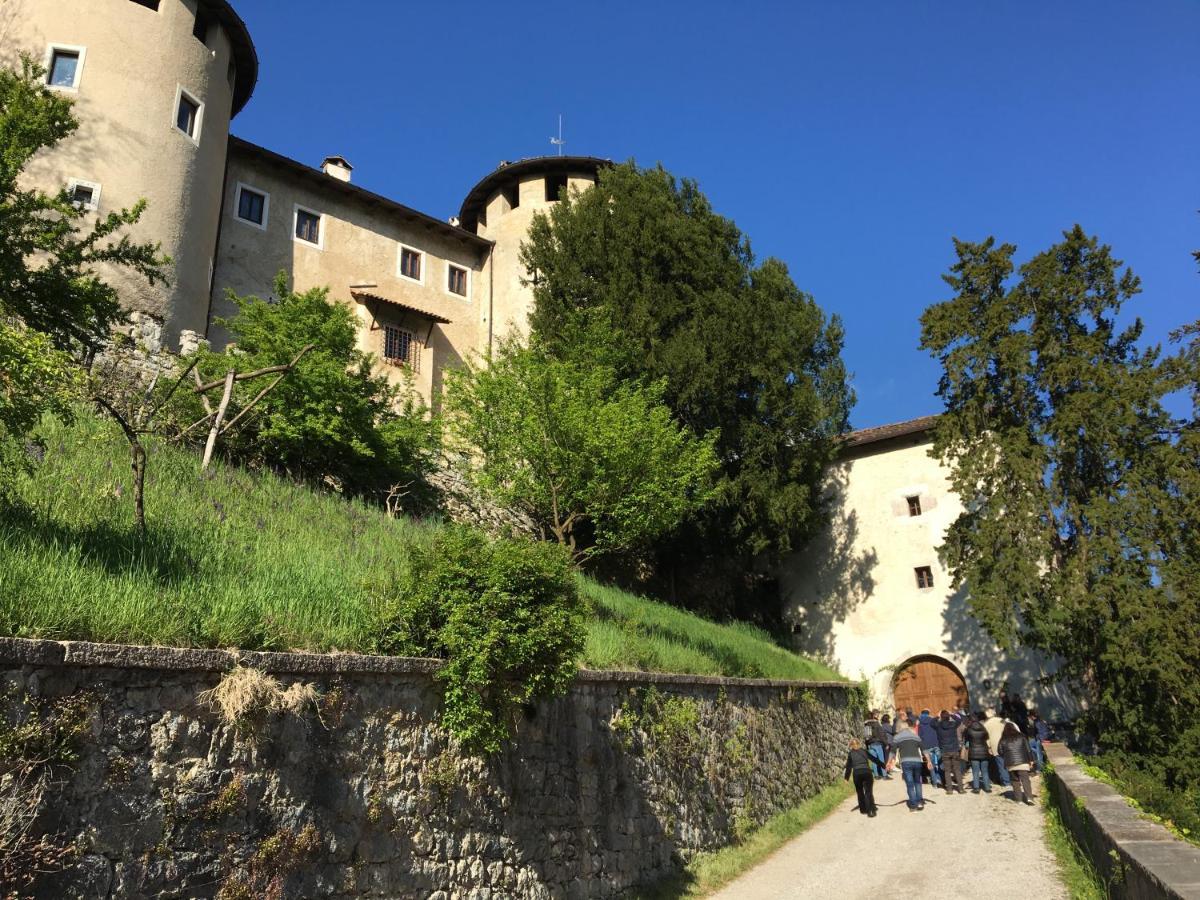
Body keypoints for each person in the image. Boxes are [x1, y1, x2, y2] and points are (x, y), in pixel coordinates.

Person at [890, 717, 929, 811]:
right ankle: (920, 802)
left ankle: (913, 804)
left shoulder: (897, 737)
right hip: (917, 761)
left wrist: (889, 762)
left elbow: (893, 751)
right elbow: (924, 749)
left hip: (906, 762)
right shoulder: (915, 736)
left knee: (910, 784)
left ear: (900, 728)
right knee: (917, 782)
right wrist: (929, 761)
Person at [998, 722, 1036, 805]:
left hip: (1010, 763)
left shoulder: (1003, 739)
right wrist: (1031, 760)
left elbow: (999, 751)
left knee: (1014, 781)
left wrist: (1006, 756)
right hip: (1023, 762)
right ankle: (1029, 798)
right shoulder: (1022, 736)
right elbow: (1028, 749)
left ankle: (1019, 799)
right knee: (1025, 780)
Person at [934, 709, 965, 794]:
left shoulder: (938, 726)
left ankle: (950, 789)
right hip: (954, 749)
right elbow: (959, 720)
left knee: (947, 771)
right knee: (957, 769)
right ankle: (961, 789)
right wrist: (952, 714)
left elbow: (931, 723)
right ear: (948, 717)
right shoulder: (953, 724)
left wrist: (937, 716)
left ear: (941, 717)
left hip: (944, 750)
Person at [844, 739, 878, 817]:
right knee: (868, 792)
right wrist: (883, 766)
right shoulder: (864, 751)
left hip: (857, 774)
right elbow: (874, 759)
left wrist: (846, 778)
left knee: (859, 792)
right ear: (859, 744)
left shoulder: (850, 754)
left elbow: (848, 767)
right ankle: (871, 811)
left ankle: (863, 809)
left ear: (851, 746)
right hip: (866, 772)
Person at [982, 707, 1013, 790]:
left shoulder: (986, 724)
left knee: (1000, 763)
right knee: (1008, 762)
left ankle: (1006, 782)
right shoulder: (1002, 720)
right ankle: (1011, 779)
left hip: (994, 744)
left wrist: (988, 746)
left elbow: (985, 737)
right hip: (1006, 743)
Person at [964, 712, 992, 793]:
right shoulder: (983, 728)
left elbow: (966, 739)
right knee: (985, 771)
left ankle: (976, 788)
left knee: (975, 771)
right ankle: (987, 788)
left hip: (973, 752)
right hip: (984, 751)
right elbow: (987, 737)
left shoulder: (968, 729)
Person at [917, 709, 943, 788]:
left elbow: (920, 736)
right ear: (929, 714)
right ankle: (941, 780)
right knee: (940, 762)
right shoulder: (933, 721)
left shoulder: (920, 724)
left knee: (930, 764)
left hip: (926, 745)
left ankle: (934, 783)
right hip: (936, 743)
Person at [862, 711, 888, 779]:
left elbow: (866, 738)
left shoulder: (866, 725)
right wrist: (886, 743)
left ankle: (876, 775)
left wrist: (867, 746)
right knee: (881, 759)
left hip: (871, 744)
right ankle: (884, 775)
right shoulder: (877, 724)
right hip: (878, 743)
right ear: (873, 716)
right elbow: (881, 734)